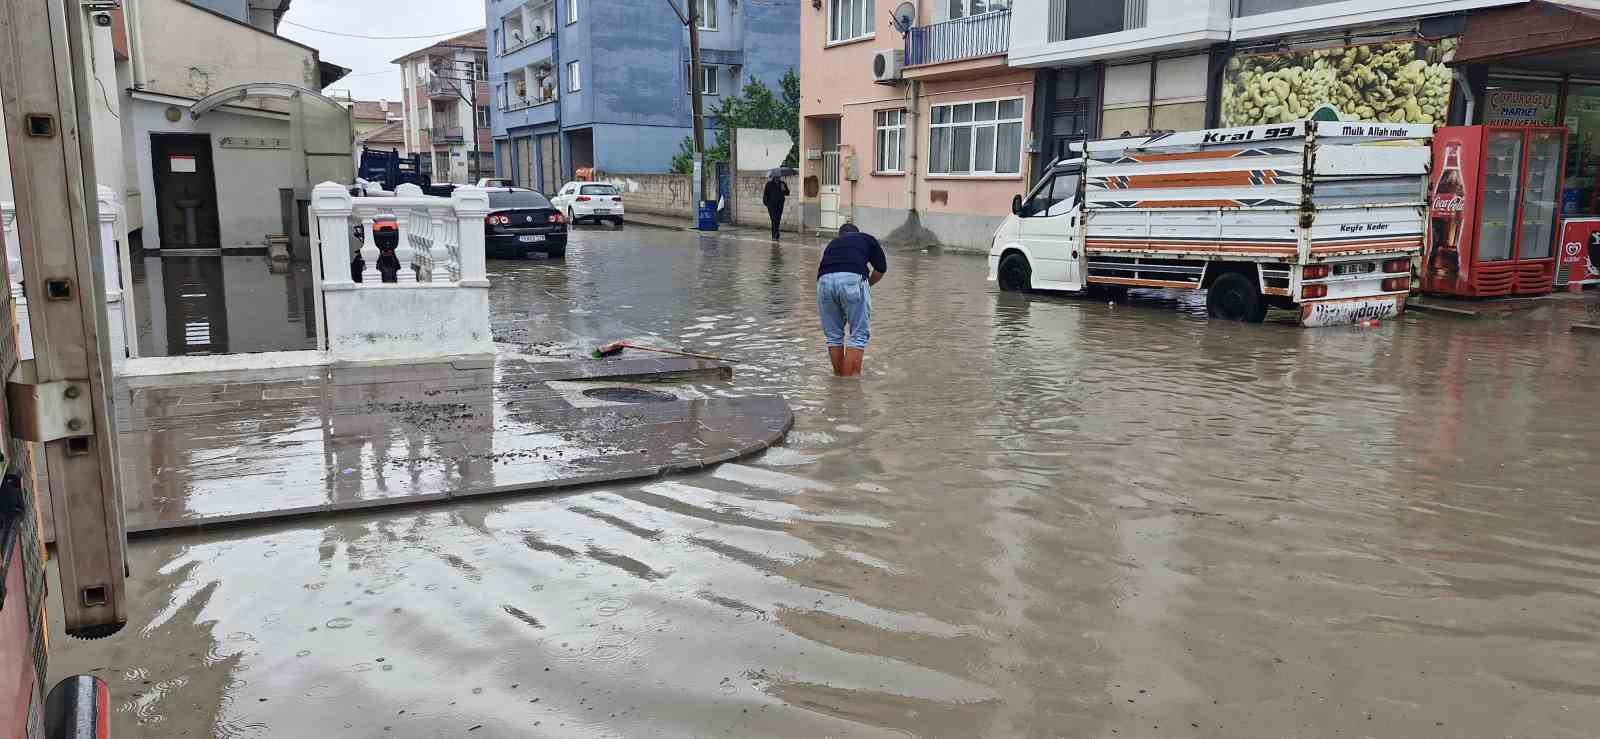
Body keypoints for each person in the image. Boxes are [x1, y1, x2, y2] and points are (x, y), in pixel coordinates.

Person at [816, 223, 886, 376]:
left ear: (840, 235)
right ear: (857, 233)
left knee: (833, 336)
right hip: (852, 279)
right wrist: (867, 285)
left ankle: (838, 380)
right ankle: (849, 390)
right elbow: (881, 268)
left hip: (824, 281)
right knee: (858, 336)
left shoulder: (833, 244)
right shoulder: (866, 239)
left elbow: (826, 268)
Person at [762, 174, 790, 240]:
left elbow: (787, 193)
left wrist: (784, 189)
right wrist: (767, 203)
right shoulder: (769, 184)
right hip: (771, 206)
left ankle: (776, 233)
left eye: (778, 177)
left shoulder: (782, 184)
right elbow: (765, 194)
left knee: (778, 220)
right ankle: (774, 235)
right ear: (773, 177)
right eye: (776, 177)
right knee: (774, 219)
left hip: (780, 205)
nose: (777, 178)